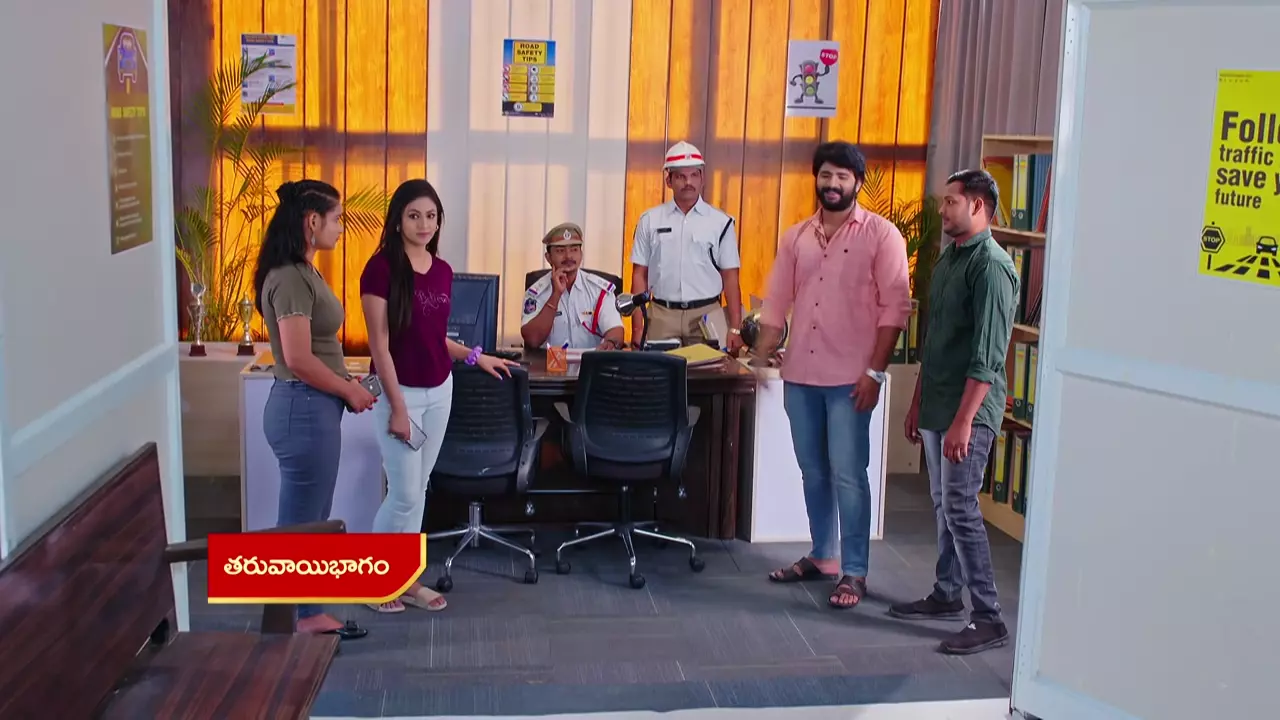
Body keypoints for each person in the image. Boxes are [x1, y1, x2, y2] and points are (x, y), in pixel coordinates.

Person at [754, 141, 912, 610]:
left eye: (842, 176)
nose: (832, 183)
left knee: (848, 475)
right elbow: (776, 301)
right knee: (813, 472)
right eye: (826, 175)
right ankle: (823, 555)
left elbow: (895, 310)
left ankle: (854, 571)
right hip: (801, 375)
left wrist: (875, 373)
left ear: (857, 182)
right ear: (816, 179)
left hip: (850, 379)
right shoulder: (797, 237)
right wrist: (760, 355)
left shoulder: (882, 236)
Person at [360, 178, 518, 614]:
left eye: (431, 216)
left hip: (439, 391)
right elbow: (379, 345)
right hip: (399, 394)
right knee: (404, 495)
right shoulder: (380, 269)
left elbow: (433, 338)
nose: (424, 224)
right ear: (398, 220)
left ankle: (406, 580)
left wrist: (475, 357)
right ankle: (374, 580)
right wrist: (397, 407)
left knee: (419, 489)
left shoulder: (443, 270)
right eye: (414, 216)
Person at [893, 169, 1018, 655]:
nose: (942, 210)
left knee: (961, 508)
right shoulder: (949, 259)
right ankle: (947, 593)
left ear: (978, 206)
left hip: (969, 411)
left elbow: (988, 356)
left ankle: (989, 617)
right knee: (944, 506)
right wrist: (918, 401)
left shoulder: (992, 266)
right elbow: (935, 342)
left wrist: (964, 420)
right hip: (938, 403)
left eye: (951, 202)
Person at [253, 179, 376, 640]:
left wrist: (346, 383)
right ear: (312, 221)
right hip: (302, 409)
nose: (341, 227)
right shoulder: (288, 277)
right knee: (300, 523)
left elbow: (317, 351)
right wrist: (347, 390)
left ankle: (303, 612)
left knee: (309, 518)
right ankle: (297, 619)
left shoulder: (305, 271)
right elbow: (299, 358)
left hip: (312, 407)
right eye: (337, 219)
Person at [629, 141, 744, 352]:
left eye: (694, 175)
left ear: (702, 178)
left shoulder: (721, 222)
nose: (688, 182)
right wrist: (637, 328)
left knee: (708, 373)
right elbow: (639, 275)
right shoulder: (650, 220)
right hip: (662, 315)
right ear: (669, 180)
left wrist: (735, 328)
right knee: (659, 372)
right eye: (681, 176)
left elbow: (731, 278)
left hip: (707, 314)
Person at [520, 222, 625, 350]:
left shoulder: (599, 290)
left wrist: (610, 343)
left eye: (574, 250)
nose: (568, 256)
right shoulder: (536, 292)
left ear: (581, 254)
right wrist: (556, 295)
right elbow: (532, 340)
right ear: (548, 258)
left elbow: (615, 330)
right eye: (560, 251)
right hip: (548, 362)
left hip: (590, 361)